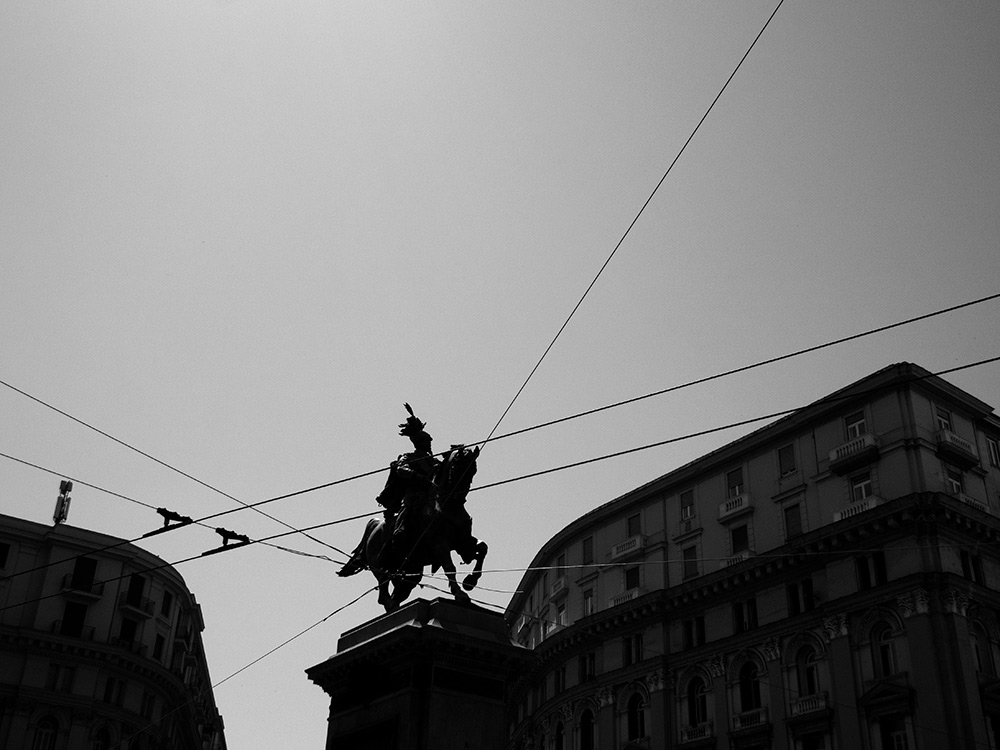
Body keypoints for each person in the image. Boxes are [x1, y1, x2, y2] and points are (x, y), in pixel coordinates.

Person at [375, 404, 440, 547]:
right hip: (414, 492)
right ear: (419, 443)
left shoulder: (433, 461)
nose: (429, 443)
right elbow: (401, 469)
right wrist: (416, 476)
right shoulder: (409, 457)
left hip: (432, 494)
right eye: (426, 441)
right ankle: (399, 530)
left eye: (429, 441)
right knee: (408, 506)